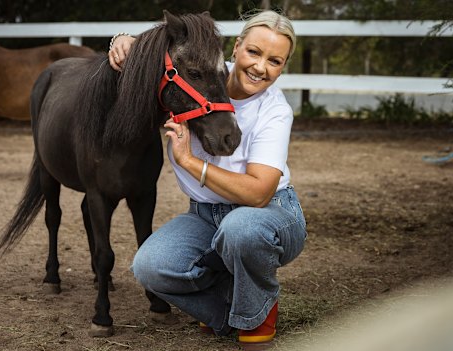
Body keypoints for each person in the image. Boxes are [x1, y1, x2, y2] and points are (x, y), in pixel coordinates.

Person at [108, 10, 307, 348]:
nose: (261, 67)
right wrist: (125, 42)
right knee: (149, 266)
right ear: (236, 48)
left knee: (241, 228)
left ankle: (257, 318)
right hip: (206, 215)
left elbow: (259, 194)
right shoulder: (198, 78)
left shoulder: (275, 110)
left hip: (271, 215)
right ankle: (236, 305)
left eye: (275, 61)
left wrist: (188, 160)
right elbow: (162, 58)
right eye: (254, 52)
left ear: (283, 67)